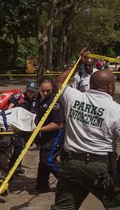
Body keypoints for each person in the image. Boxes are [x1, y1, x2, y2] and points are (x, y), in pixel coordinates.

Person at [52, 67, 120, 209]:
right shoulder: (116, 110)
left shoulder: (74, 97)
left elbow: (58, 82)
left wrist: (76, 66)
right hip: (101, 169)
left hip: (71, 165)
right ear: (110, 87)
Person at [32, 76, 65, 195]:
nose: (45, 93)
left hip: (55, 134)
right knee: (43, 159)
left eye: (48, 90)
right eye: (42, 90)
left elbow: (58, 123)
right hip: (44, 133)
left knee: (49, 159)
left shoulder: (55, 102)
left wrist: (38, 129)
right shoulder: (38, 98)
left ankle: (68, 182)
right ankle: (42, 185)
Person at [7, 81, 38, 175]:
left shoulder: (36, 99)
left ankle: (17, 166)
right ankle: (12, 166)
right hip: (17, 126)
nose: (30, 93)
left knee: (23, 147)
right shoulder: (19, 97)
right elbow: (10, 108)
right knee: (18, 147)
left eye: (32, 91)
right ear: (26, 89)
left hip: (27, 127)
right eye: (29, 90)